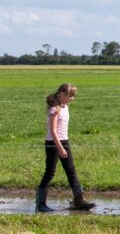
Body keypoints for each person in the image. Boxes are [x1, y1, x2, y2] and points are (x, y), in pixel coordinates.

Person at [36, 83, 95, 213]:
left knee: (71, 170)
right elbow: (52, 131)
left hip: (64, 141)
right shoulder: (54, 110)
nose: (71, 99)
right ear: (61, 94)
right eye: (70, 96)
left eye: (73, 96)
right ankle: (40, 204)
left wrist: (64, 145)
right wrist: (60, 148)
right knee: (50, 172)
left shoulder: (65, 106)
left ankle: (79, 200)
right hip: (53, 143)